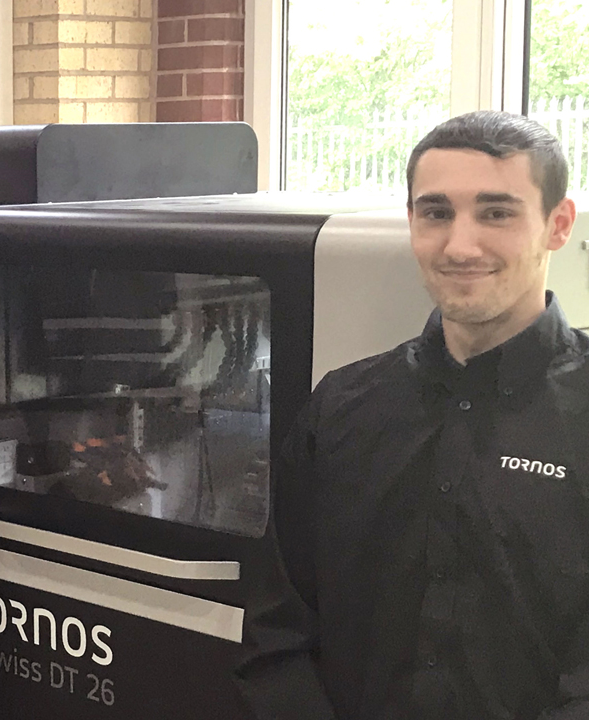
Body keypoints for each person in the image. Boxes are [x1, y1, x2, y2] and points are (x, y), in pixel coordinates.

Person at [235, 109, 586, 719]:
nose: (460, 246)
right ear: (412, 221)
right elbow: (278, 633)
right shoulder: (341, 408)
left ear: (557, 225)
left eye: (496, 213)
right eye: (437, 213)